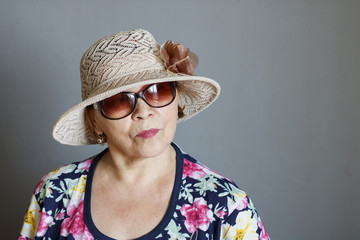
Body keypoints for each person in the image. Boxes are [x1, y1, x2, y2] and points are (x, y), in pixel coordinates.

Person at [19, 29, 270, 240]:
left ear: (177, 98)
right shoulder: (54, 194)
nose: (143, 111)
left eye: (157, 91)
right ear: (95, 120)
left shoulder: (226, 205)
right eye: (119, 100)